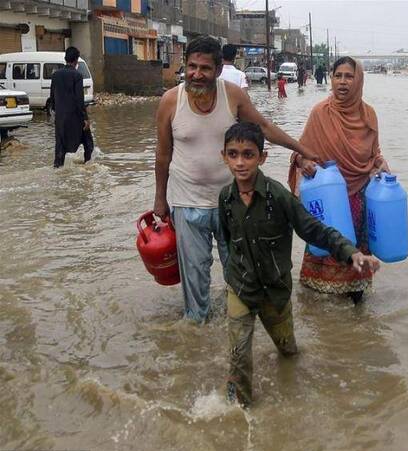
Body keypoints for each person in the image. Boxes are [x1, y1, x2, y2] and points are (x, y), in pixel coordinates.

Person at [154, 36, 318, 323]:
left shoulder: (233, 96)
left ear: (217, 70)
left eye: (204, 68)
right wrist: (159, 200)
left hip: (233, 202)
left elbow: (264, 127)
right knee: (194, 274)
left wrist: (304, 150)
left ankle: (240, 323)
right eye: (191, 66)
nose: (197, 74)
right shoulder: (170, 101)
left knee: (240, 269)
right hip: (186, 202)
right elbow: (162, 154)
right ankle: (198, 328)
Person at [219, 122, 380, 407]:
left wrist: (351, 253)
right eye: (233, 154)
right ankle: (239, 410)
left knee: (288, 351)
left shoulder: (278, 196)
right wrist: (231, 276)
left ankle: (292, 386)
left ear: (262, 157)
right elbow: (227, 241)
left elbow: (314, 229)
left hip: (275, 291)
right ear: (224, 157)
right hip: (240, 287)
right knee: (239, 354)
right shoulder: (225, 198)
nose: (240, 162)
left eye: (248, 154)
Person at [288, 56, 390, 305]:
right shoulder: (320, 113)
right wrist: (304, 163)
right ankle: (323, 313)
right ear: (331, 78)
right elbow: (301, 152)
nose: (342, 82)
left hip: (358, 195)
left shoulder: (369, 115)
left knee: (357, 255)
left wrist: (383, 167)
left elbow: (374, 153)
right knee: (325, 248)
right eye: (338, 76)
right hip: (327, 197)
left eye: (349, 76)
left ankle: (355, 306)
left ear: (358, 81)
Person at [50, 46, 93, 168]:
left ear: (66, 58)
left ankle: (58, 171)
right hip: (75, 118)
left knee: (60, 149)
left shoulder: (55, 75)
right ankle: (88, 168)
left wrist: (55, 114)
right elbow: (79, 100)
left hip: (60, 119)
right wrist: (85, 119)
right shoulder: (77, 75)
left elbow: (52, 97)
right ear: (76, 60)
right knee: (88, 143)